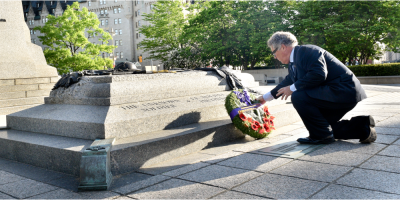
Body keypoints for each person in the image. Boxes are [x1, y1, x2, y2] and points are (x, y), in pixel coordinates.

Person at [257, 31, 376, 144]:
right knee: (323, 127)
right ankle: (363, 127)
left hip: (343, 91)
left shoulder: (308, 51)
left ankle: (321, 136)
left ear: (283, 47)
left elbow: (318, 74)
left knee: (298, 96)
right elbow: (287, 82)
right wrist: (265, 98)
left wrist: (292, 88)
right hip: (337, 93)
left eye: (274, 52)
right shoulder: (294, 62)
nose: (275, 57)